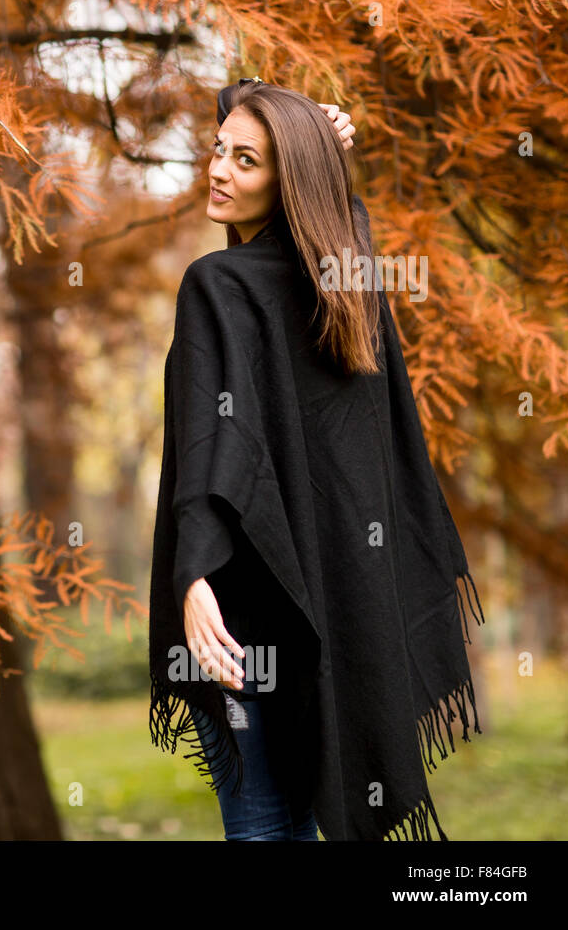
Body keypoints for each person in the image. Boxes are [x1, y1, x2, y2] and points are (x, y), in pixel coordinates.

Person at [148, 79, 484, 841]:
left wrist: (192, 579)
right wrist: (320, 145)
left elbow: (210, 448)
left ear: (288, 179)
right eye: (217, 151)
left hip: (237, 614)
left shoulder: (219, 285)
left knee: (264, 824)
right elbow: (341, 223)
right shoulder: (345, 288)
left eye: (247, 161)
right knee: (295, 821)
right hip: (326, 611)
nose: (219, 170)